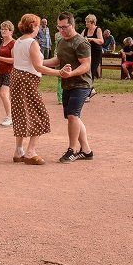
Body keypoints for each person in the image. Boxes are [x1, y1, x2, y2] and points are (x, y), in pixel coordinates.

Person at [0, 14, 66, 165]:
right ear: (33, 26)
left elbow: (24, 61)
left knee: (20, 113)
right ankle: (30, 152)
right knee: (40, 115)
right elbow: (38, 66)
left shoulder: (18, 42)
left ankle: (18, 150)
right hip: (27, 80)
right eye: (37, 25)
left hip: (16, 78)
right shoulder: (32, 43)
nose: (39, 27)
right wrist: (59, 72)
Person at [44, 11, 94, 163]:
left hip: (81, 84)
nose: (61, 30)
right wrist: (39, 63)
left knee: (72, 115)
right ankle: (86, 151)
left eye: (64, 27)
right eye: (59, 27)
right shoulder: (61, 40)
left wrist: (70, 74)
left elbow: (86, 65)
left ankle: (72, 150)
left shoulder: (80, 42)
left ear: (72, 25)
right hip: (68, 83)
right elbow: (59, 59)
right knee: (73, 117)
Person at [0, 21, 16, 126]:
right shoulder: (2, 43)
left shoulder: (13, 43)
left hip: (10, 71)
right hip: (2, 71)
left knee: (3, 94)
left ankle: (10, 116)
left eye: (5, 29)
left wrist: (0, 58)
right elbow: (0, 57)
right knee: (4, 94)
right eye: (2, 29)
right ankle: (10, 116)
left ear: (11, 31)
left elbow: (14, 60)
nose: (3, 31)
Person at [81, 14, 103, 81]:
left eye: (87, 22)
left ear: (92, 22)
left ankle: (90, 87)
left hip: (96, 53)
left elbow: (101, 41)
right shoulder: (85, 30)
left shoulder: (98, 29)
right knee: (86, 69)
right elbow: (79, 38)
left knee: (92, 69)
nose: (86, 24)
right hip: (87, 52)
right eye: (86, 22)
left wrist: (92, 39)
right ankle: (89, 87)